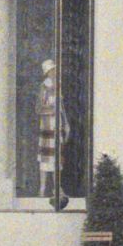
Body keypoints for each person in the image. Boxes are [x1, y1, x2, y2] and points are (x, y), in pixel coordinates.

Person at [38, 58, 68, 203]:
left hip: (57, 125)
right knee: (45, 158)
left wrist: (66, 123)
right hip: (47, 125)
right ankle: (42, 189)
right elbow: (38, 108)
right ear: (48, 72)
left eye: (55, 70)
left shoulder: (58, 86)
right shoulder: (44, 87)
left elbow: (61, 107)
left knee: (57, 158)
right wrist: (51, 110)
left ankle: (57, 188)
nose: (54, 72)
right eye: (52, 70)